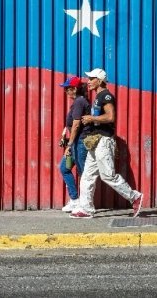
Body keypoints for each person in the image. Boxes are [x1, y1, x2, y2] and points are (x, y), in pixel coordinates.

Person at [69, 68, 144, 219]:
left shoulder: (106, 96)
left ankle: (134, 196)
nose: (88, 81)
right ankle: (86, 209)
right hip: (96, 141)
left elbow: (111, 117)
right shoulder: (97, 96)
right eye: (89, 79)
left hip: (104, 140)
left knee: (107, 175)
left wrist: (92, 119)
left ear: (100, 80)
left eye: (91, 78)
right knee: (87, 176)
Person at [58, 77, 90, 213]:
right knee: (64, 168)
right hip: (75, 141)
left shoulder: (79, 102)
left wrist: (69, 146)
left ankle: (84, 205)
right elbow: (71, 125)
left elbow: (76, 124)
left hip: (80, 142)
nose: (65, 92)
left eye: (67, 89)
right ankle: (75, 200)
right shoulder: (77, 103)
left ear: (74, 89)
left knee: (83, 173)